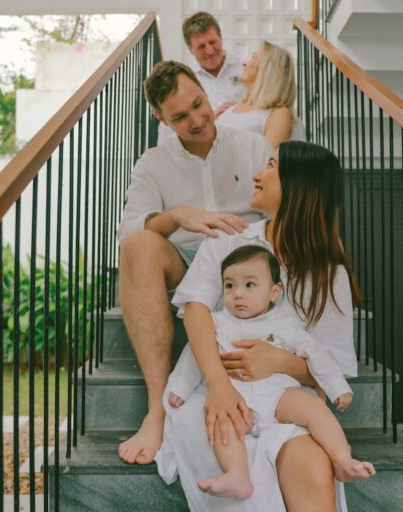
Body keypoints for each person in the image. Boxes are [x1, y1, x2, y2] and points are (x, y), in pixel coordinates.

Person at [156, 141, 361, 511]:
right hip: (219, 392)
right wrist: (218, 385)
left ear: (299, 187)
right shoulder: (229, 240)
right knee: (248, 487)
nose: (257, 174)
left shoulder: (329, 275)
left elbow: (332, 370)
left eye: (270, 166)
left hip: (286, 402)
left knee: (315, 471)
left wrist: (278, 360)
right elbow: (196, 308)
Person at [115, 60, 273, 466]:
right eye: (180, 117)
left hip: (249, 259)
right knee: (138, 246)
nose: (198, 120)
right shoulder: (152, 163)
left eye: (199, 105)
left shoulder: (253, 146)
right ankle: (156, 411)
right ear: (160, 118)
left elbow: (284, 203)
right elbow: (130, 228)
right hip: (186, 261)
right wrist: (178, 215)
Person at [165, 245, 374, 499]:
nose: (237, 294)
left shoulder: (285, 324)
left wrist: (338, 388)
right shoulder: (217, 322)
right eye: (229, 286)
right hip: (238, 398)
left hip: (278, 395)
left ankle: (342, 460)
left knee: (314, 408)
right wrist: (179, 388)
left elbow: (316, 355)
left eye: (249, 285)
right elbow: (194, 356)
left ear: (274, 292)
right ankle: (237, 474)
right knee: (224, 424)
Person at [157, 12, 246, 144]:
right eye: (201, 46)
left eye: (212, 42)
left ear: (221, 39)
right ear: (191, 50)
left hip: (243, 138)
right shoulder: (183, 80)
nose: (209, 50)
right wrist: (211, 119)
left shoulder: (246, 67)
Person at [216, 41, 305, 148]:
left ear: (266, 69)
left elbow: (269, 162)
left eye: (253, 57)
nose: (244, 63)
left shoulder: (277, 113)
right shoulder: (230, 109)